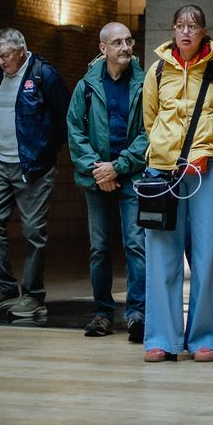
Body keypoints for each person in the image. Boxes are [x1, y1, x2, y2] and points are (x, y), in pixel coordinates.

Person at [141, 3, 213, 363]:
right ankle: (161, 338)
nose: (186, 31)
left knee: (210, 253)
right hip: (164, 171)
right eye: (180, 25)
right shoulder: (156, 71)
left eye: (193, 25)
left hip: (209, 170)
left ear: (204, 32)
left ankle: (210, 337)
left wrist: (208, 152)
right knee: (161, 253)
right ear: (172, 30)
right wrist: (167, 153)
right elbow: (150, 119)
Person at [0, 28, 69, 322]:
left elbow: (64, 118)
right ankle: (4, 287)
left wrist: (45, 152)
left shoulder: (43, 74)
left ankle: (33, 294)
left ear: (21, 50)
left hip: (34, 166)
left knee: (33, 232)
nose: (1, 62)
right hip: (1, 164)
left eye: (5, 56)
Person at [66, 20, 147, 341]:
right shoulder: (85, 86)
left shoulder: (144, 83)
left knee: (135, 245)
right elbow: (74, 131)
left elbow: (150, 132)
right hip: (97, 178)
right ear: (103, 49)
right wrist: (99, 169)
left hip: (130, 177)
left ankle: (137, 313)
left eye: (129, 41)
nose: (126, 47)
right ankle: (101, 313)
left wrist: (119, 166)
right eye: (118, 43)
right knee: (99, 248)